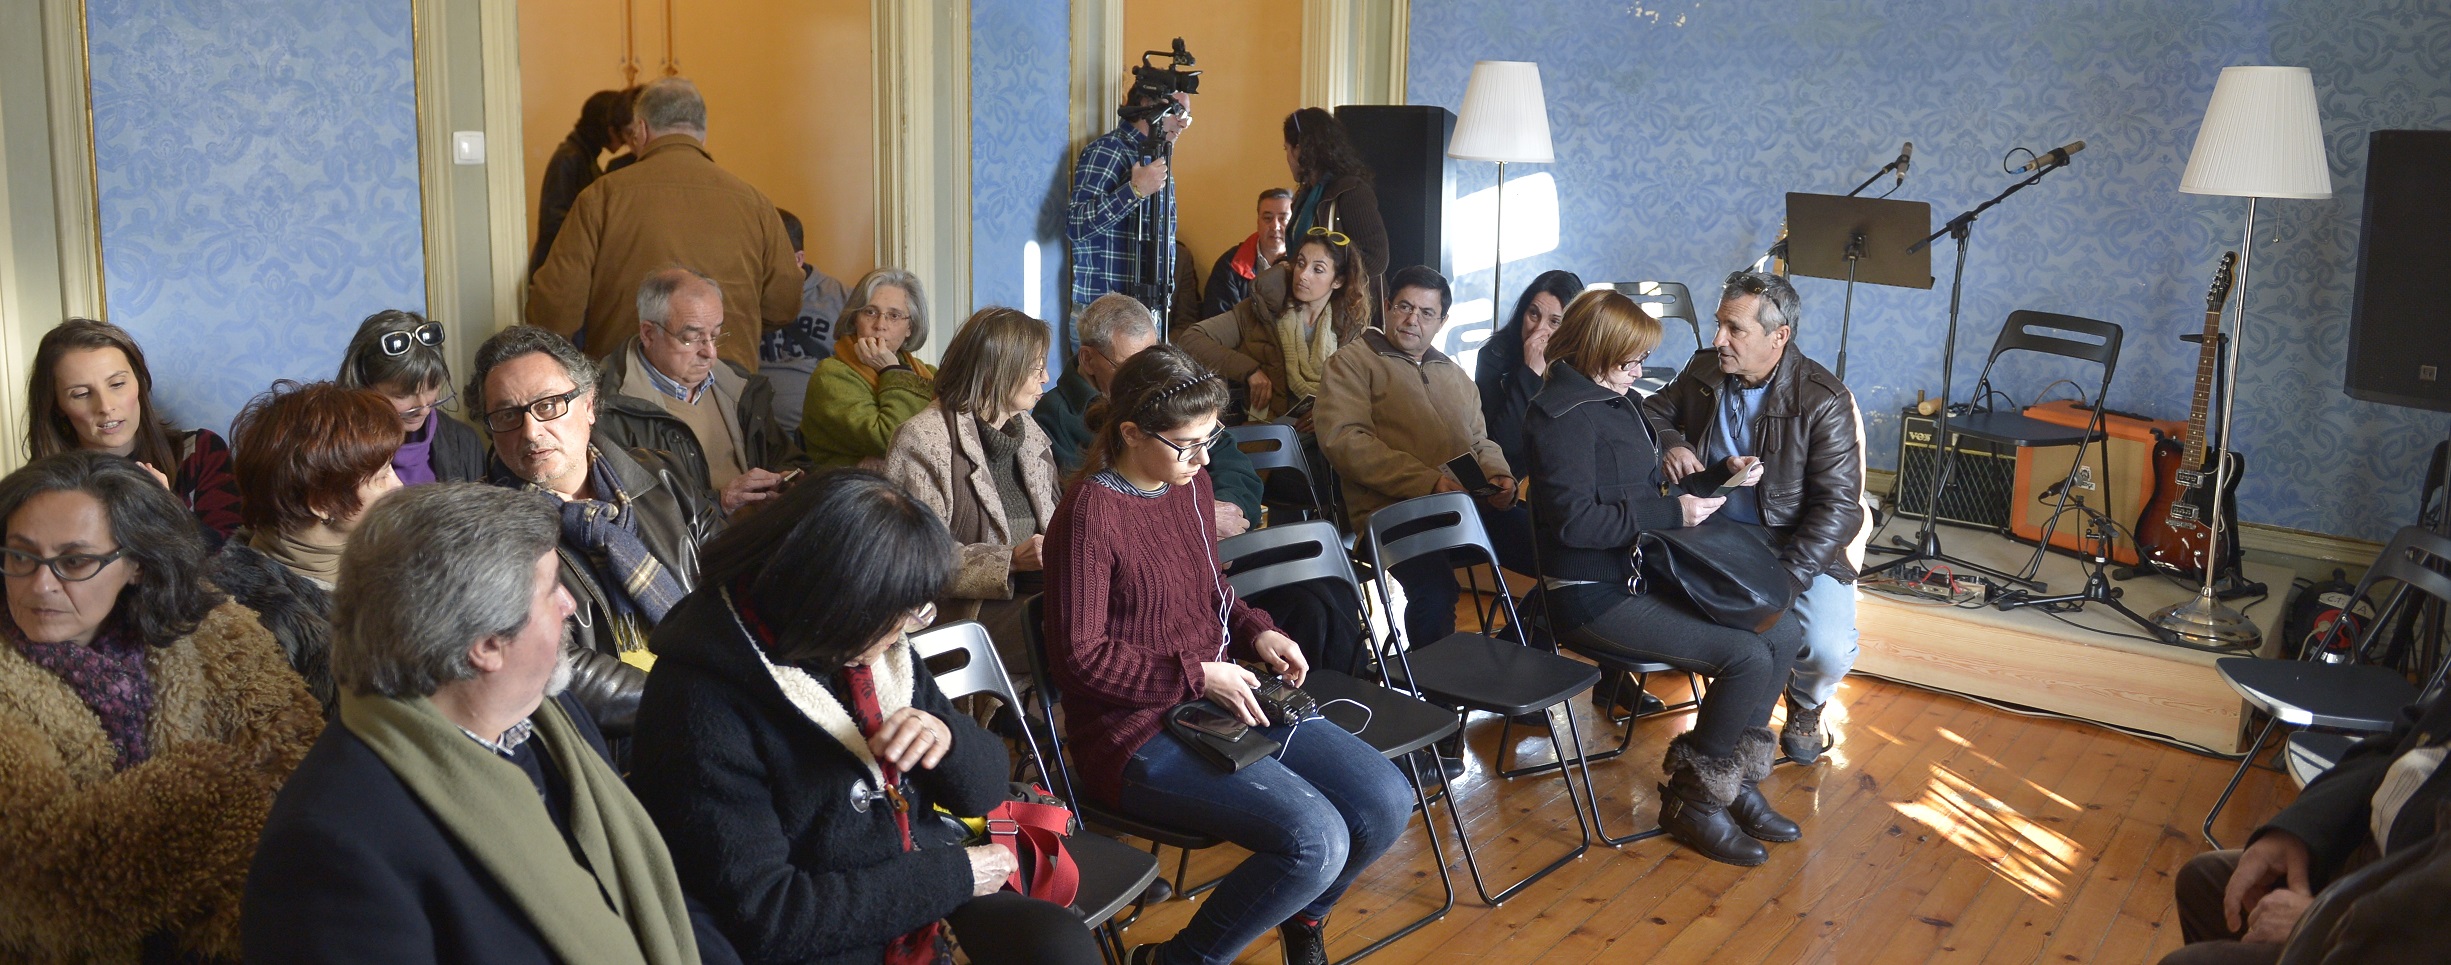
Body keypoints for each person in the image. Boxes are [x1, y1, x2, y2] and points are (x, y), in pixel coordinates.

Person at [243, 483, 736, 965]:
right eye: (550, 589)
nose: (569, 604)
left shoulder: (549, 717)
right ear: (486, 646)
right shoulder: (331, 852)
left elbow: (655, 896)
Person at [630, 470, 1103, 965]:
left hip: (915, 890)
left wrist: (945, 739)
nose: (904, 630)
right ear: (830, 603)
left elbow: (983, 794)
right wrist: (956, 876)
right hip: (824, 936)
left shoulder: (870, 647)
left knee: (1059, 945)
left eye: (914, 611)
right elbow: (769, 917)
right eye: (893, 614)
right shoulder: (698, 702)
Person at [1045, 345, 1411, 965]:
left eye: (1210, 436)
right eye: (1187, 443)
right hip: (1129, 732)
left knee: (1386, 799)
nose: (1204, 456)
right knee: (1315, 840)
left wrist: (1255, 630)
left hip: (1222, 694)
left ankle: (1305, 914)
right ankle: (1180, 959)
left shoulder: (1189, 484)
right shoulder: (1089, 515)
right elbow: (1079, 660)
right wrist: (1196, 675)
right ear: (1131, 433)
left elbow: (1210, 588)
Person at [0, 450, 321, 963]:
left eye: (74, 561)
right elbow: (44, 886)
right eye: (19, 555)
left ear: (136, 563)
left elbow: (301, 781)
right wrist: (212, 791)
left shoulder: (215, 630)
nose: (41, 585)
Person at [1523, 289, 1804, 868]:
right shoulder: (1560, 419)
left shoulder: (1614, 401)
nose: (1639, 371)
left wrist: (1713, 482)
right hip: (1584, 596)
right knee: (1746, 657)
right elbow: (1575, 523)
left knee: (1781, 633)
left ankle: (1734, 783)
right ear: (1597, 352)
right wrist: (1670, 512)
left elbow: (1646, 497)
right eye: (1630, 360)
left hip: (1635, 576)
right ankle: (1693, 801)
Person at [1643, 270, 1866, 765]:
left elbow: (1838, 508)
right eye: (1719, 323)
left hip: (1793, 544)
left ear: (1779, 336)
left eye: (1735, 329)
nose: (1718, 339)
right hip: (1713, 531)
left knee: (1826, 649)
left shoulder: (1823, 400)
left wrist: (1788, 580)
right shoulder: (1705, 370)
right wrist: (1672, 442)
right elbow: (1649, 413)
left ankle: (1806, 703)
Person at [469, 326, 719, 677]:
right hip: (616, 724)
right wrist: (680, 694)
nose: (531, 431)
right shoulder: (481, 528)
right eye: (508, 415)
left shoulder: (664, 476)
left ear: (588, 405)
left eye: (548, 405)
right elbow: (554, 667)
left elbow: (731, 582)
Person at [2160, 688, 2451, 965]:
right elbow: (2391, 749)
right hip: (2369, 858)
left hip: (2403, 927)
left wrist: (2322, 921)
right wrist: (2296, 832)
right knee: (2203, 880)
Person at [527, 77, 799, 371]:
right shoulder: (755, 203)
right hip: (726, 385)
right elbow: (783, 306)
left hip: (626, 389)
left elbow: (554, 310)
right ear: (703, 136)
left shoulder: (600, 197)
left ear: (641, 130)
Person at [1317, 265, 1517, 650]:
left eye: (1426, 313)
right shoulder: (1351, 363)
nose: (1413, 320)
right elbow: (1345, 441)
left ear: (1442, 321)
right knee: (1437, 591)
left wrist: (1499, 476)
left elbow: (1480, 440)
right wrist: (1427, 482)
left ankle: (1514, 660)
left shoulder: (1455, 375)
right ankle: (1436, 699)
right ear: (1387, 307)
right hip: (1391, 515)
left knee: (1553, 553)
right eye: (1404, 307)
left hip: (1463, 507)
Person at [215, 381, 404, 714]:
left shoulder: (392, 563)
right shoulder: (243, 627)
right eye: (383, 475)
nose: (400, 486)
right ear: (323, 502)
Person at [883, 308, 1056, 665]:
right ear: (997, 370)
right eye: (1036, 367)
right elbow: (915, 560)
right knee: (1077, 630)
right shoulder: (924, 439)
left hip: (1035, 600)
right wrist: (1009, 562)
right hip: (958, 616)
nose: (1046, 378)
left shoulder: (1032, 435)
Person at [1033, 293, 1259, 533]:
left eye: (1151, 359)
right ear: (1088, 359)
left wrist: (1229, 509)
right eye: (1129, 365)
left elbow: (1234, 465)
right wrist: (1195, 517)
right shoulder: (1053, 416)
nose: (1147, 378)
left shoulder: (1167, 388)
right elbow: (1088, 510)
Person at [594, 268, 797, 513]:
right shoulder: (607, 406)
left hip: (759, 536)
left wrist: (788, 482)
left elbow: (788, 456)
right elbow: (632, 514)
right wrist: (719, 502)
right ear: (648, 334)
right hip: (693, 549)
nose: (710, 353)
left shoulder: (738, 385)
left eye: (716, 335)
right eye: (692, 338)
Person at [25, 318, 242, 541]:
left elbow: (235, 563)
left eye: (117, 384)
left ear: (139, 382)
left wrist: (166, 512)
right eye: (81, 394)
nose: (106, 406)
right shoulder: (38, 488)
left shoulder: (200, 452)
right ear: (57, 405)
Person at [1176, 227, 1371, 426]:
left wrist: (1328, 411)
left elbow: (1360, 391)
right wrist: (1249, 370)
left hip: (1327, 434)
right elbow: (1191, 339)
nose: (1303, 274)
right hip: (1269, 432)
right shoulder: (1262, 309)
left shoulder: (1349, 327)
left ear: (1337, 281)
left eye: (1317, 269)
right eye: (1301, 263)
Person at [1066, 81, 1191, 315]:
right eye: (1177, 111)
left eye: (1188, 116)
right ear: (1146, 103)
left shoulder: (1158, 158)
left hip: (1144, 313)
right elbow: (1076, 226)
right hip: (1104, 317)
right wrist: (1135, 191)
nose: (1183, 123)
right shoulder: (1109, 149)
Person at [803, 268, 937, 470]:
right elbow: (892, 439)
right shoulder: (831, 374)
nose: (880, 325)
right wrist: (891, 370)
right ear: (855, 319)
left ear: (910, 327)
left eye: (894, 315)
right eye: (870, 312)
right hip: (846, 495)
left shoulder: (927, 373)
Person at [336, 309, 488, 484]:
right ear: (363, 385)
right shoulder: (333, 450)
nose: (423, 409)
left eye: (432, 387)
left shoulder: (464, 441)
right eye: (403, 395)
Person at [1477, 269, 1585, 477]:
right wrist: (1531, 373)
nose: (1538, 330)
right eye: (1533, 314)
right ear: (1522, 313)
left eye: (1554, 322)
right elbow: (1502, 445)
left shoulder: (1581, 365)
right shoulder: (1494, 355)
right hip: (1512, 479)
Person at [756, 207, 852, 436]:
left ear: (798, 259)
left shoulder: (843, 299)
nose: (760, 265)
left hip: (818, 440)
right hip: (751, 438)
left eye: (770, 256)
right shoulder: (739, 299)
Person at [529, 88, 635, 277]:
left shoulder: (584, 157)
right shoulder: (569, 158)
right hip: (557, 270)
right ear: (607, 128)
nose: (626, 140)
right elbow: (554, 223)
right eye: (619, 130)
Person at [1281, 108, 1388, 283]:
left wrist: (1325, 274)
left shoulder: (1351, 191)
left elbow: (1375, 259)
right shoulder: (1304, 196)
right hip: (1310, 303)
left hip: (1346, 305)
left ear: (1299, 149)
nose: (1286, 157)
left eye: (1286, 149)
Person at [1201, 188, 1294, 320]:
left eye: (1283, 219)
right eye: (1267, 218)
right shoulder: (1229, 266)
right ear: (1258, 222)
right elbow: (1218, 325)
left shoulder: (1304, 266)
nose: (1275, 226)